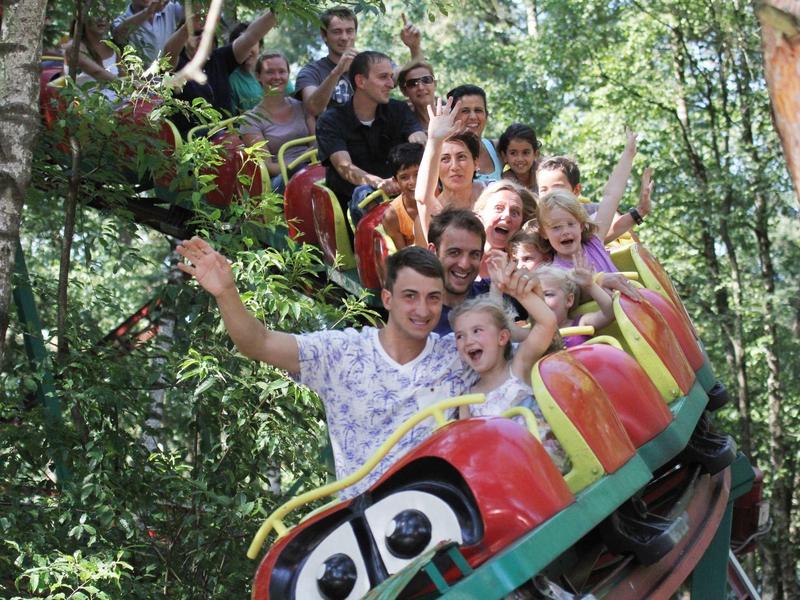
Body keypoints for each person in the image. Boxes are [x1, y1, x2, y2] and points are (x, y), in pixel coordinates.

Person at [176, 240, 476, 498]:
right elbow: (259, 343)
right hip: (369, 522)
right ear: (387, 299)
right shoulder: (342, 352)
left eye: (433, 298)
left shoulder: (459, 355)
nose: (423, 310)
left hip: (443, 508)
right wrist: (226, 292)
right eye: (410, 296)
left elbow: (518, 358)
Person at [449, 258, 565, 469]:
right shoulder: (467, 399)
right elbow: (471, 448)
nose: (468, 341)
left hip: (550, 466)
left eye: (477, 331)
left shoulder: (519, 366)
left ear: (502, 338)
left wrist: (519, 293)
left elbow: (547, 323)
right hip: (511, 475)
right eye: (460, 336)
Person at [315, 51, 425, 222]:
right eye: (383, 77)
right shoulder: (331, 120)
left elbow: (417, 138)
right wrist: (379, 183)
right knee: (365, 194)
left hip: (401, 192)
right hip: (354, 203)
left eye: (391, 77)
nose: (391, 84)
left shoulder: (398, 110)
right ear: (361, 81)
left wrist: (426, 143)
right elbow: (345, 168)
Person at [162, 8, 276, 135]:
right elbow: (168, 53)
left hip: (228, 136)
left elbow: (251, 36)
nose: (201, 37)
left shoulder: (220, 58)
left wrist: (278, 9)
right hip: (191, 141)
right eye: (195, 33)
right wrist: (186, 28)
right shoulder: (176, 64)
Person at [296, 7, 423, 117]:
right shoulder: (311, 72)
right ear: (324, 35)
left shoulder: (375, 63)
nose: (344, 37)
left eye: (350, 31)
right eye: (337, 32)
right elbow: (313, 108)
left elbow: (416, 75)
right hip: (333, 140)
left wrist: (414, 47)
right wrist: (337, 71)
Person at [537, 131, 651, 243]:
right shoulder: (536, 234)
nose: (550, 195)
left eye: (557, 188)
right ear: (544, 233)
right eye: (543, 190)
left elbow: (611, 195)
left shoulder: (591, 241)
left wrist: (628, 154)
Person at [240, 51, 315, 192]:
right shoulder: (250, 120)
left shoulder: (302, 106)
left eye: (282, 72)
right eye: (270, 72)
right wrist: (300, 164)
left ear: (288, 74)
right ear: (258, 76)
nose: (277, 77)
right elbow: (268, 167)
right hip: (281, 177)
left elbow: (315, 143)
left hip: (311, 166)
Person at [415, 98, 484, 242]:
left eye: (462, 157)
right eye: (445, 159)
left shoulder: (492, 197)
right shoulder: (433, 212)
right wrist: (434, 140)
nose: (454, 166)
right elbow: (423, 199)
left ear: (476, 162)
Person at [535, 257, 615, 347]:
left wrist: (590, 286)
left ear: (569, 300)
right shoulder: (534, 335)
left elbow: (609, 312)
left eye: (548, 294)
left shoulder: (581, 323)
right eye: (535, 297)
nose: (541, 301)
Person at [446, 84, 503, 182]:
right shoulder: (444, 154)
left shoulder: (497, 148)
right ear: (453, 116)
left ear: (486, 115)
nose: (473, 116)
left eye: (478, 110)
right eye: (465, 111)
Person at [112, 0, 184, 65]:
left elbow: (192, 11)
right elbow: (118, 36)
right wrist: (148, 12)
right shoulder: (121, 21)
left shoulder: (170, 7)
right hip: (138, 78)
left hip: (170, 75)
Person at [381, 143, 425, 249]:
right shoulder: (392, 215)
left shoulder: (445, 198)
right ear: (396, 181)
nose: (412, 182)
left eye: (418, 174)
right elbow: (403, 257)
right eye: (404, 177)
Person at [64, 15, 122, 93]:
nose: (101, 18)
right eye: (95, 13)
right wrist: (132, 86)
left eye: (103, 13)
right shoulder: (73, 47)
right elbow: (97, 72)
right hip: (86, 104)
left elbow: (123, 76)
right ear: (83, 18)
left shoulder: (112, 47)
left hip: (120, 102)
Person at [228, 23, 263, 114]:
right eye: (242, 46)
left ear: (260, 45)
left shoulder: (275, 72)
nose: (246, 50)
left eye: (251, 44)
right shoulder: (230, 79)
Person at [498, 123, 542, 192]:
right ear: (504, 156)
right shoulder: (504, 183)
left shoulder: (545, 176)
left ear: (535, 154)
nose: (520, 159)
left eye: (525, 152)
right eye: (513, 153)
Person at [397, 59, 437, 128]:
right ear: (404, 91)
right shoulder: (401, 126)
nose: (420, 87)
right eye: (412, 83)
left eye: (426, 79)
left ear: (435, 84)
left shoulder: (454, 116)